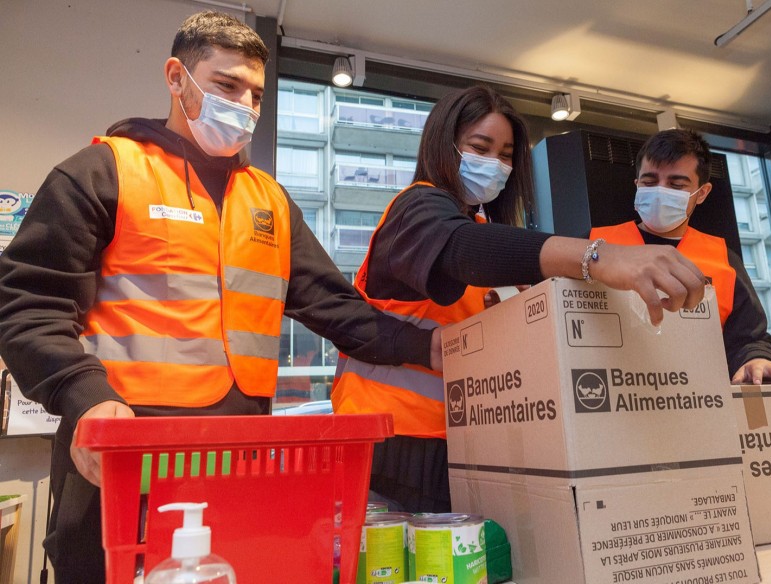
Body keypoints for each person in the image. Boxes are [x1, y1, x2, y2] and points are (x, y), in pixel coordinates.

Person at [0, 12, 441, 583]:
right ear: (176, 78)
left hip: (237, 457)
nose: (246, 107)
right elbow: (27, 302)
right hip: (121, 452)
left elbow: (340, 310)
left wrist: (432, 347)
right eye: (227, 85)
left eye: (256, 95)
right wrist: (84, 398)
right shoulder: (103, 171)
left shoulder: (270, 202)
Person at [331, 85, 710, 514]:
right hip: (396, 446)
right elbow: (463, 249)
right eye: (481, 147)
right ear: (444, 143)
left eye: (507, 154)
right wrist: (596, 257)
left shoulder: (475, 224)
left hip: (464, 444)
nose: (495, 164)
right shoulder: (416, 209)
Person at [589, 128, 771, 385]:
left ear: (702, 193)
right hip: (608, 392)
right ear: (637, 184)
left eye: (676, 184)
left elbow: (749, 338)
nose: (661, 191)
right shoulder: (594, 246)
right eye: (650, 182)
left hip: (696, 399)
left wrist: (757, 359)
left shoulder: (722, 260)